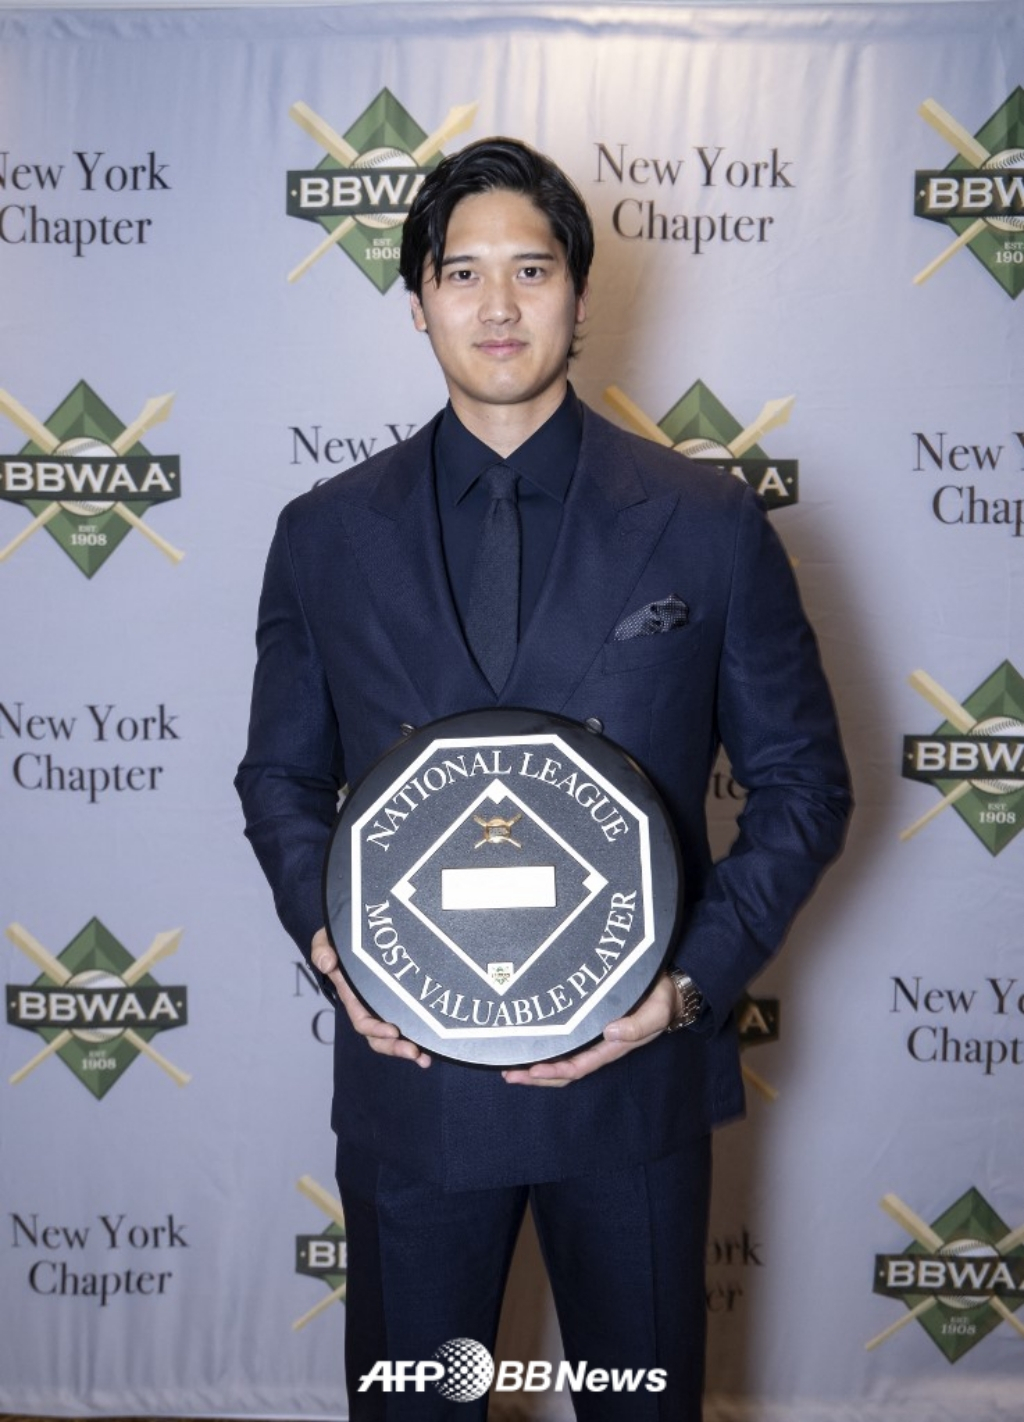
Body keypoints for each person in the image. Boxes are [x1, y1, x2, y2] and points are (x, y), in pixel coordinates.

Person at [236, 137, 851, 1420]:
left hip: (630, 1086)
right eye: (463, 273)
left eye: (533, 268)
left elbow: (803, 785)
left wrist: (684, 984)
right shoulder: (323, 536)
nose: (498, 306)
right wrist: (334, 943)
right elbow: (280, 780)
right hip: (412, 1091)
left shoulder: (706, 522)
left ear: (580, 292)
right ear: (417, 300)